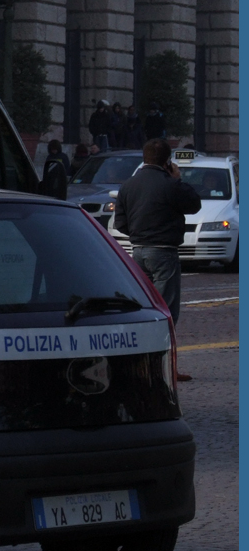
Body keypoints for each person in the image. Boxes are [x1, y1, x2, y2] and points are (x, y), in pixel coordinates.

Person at [114, 138, 201, 381]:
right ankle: (166, 369)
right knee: (167, 312)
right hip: (163, 251)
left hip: (138, 250)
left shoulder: (129, 185)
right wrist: (177, 179)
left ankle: (143, 366)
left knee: (145, 308)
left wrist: (140, 233)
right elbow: (194, 203)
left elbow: (120, 222)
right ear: (167, 161)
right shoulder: (169, 184)